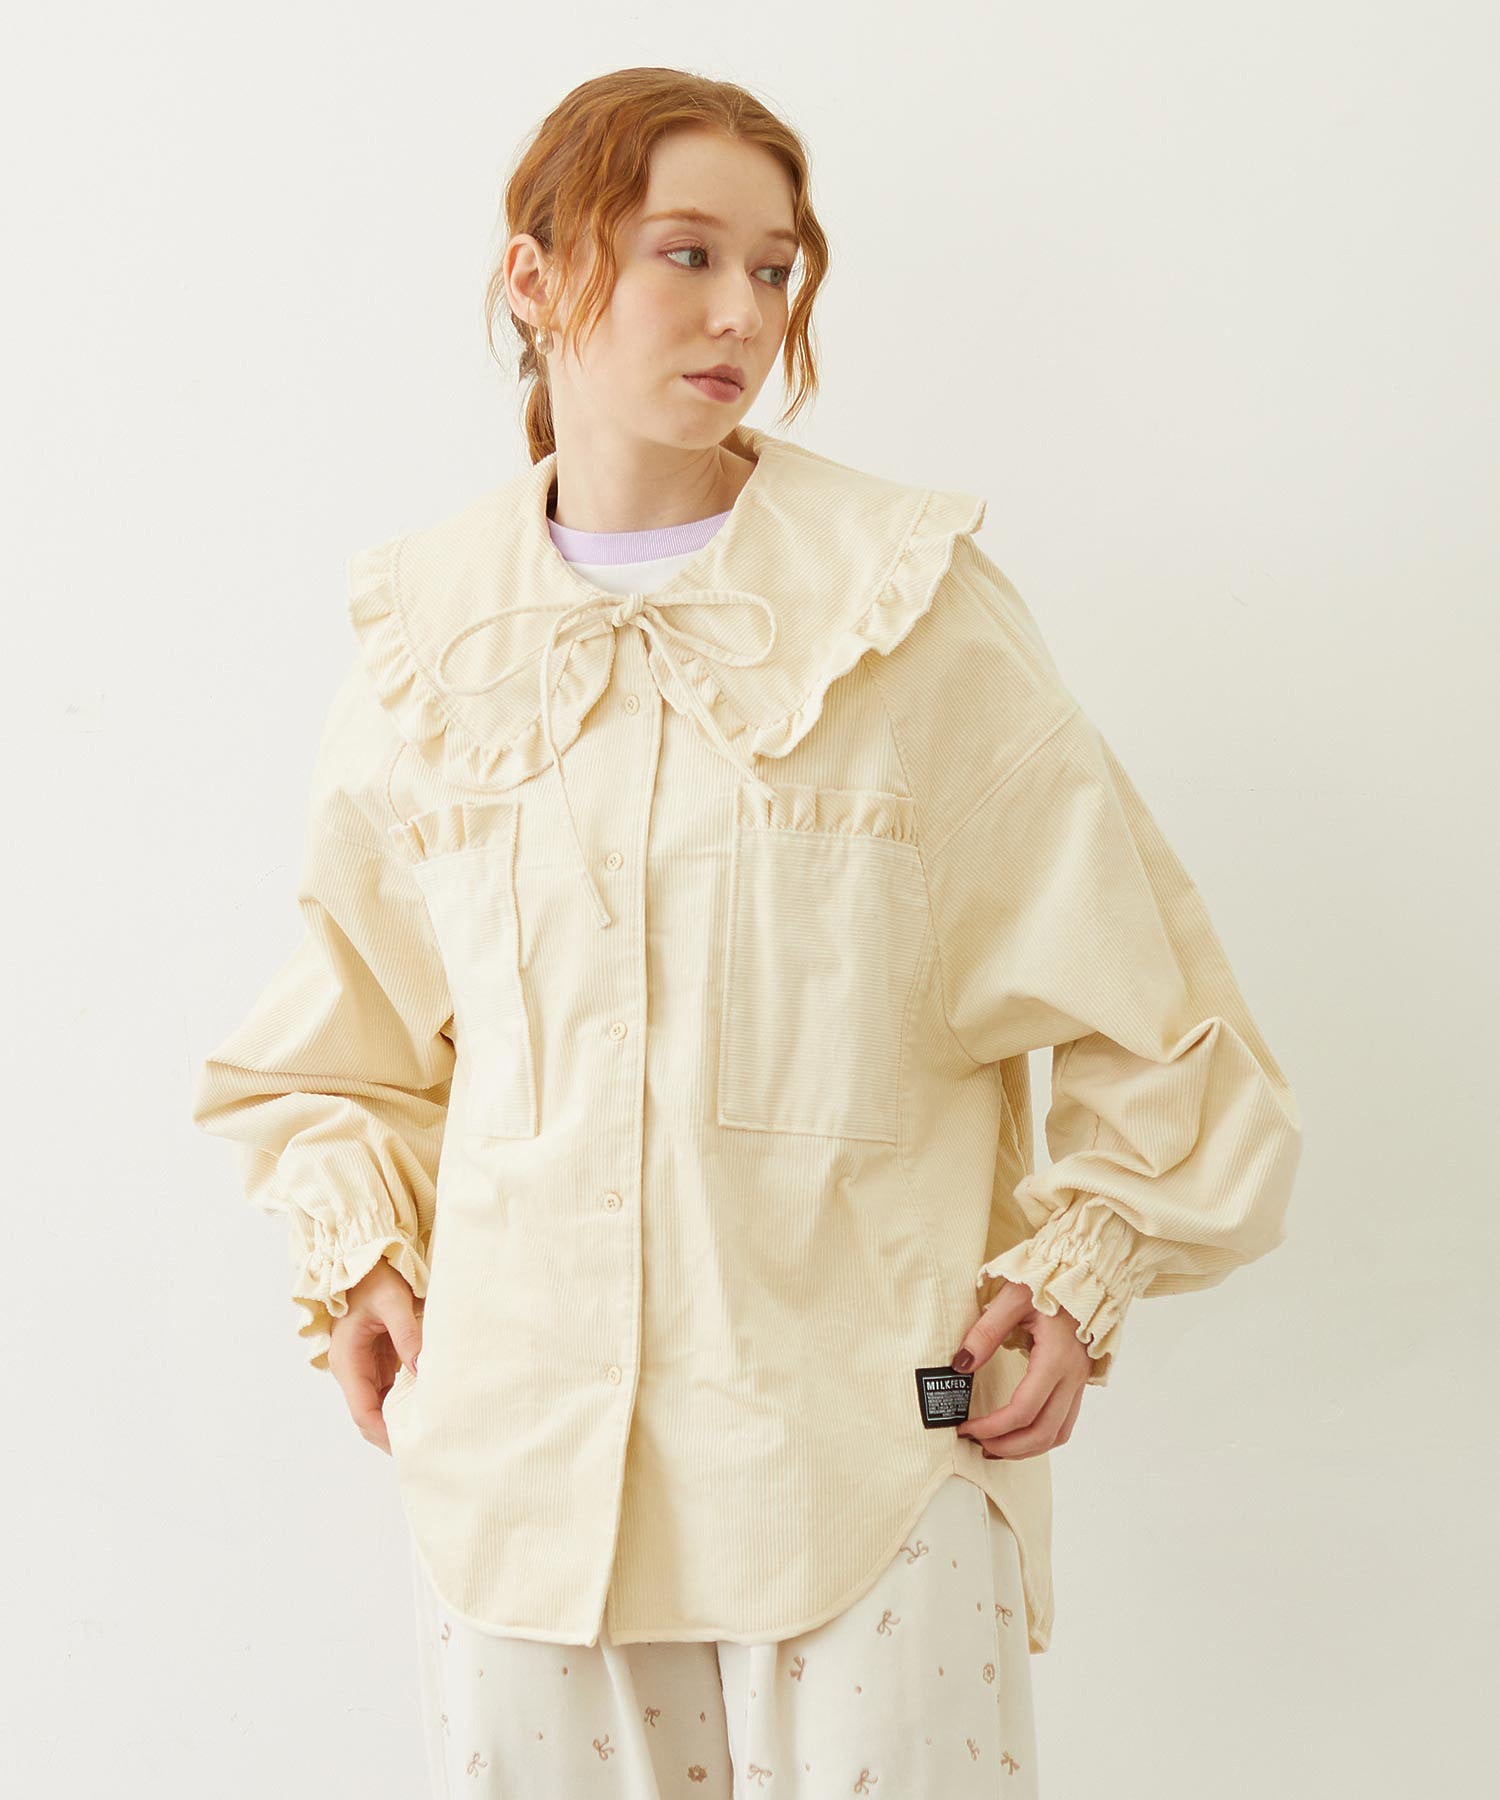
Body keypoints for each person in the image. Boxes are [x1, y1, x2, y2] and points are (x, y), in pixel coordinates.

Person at [190, 67, 1302, 1798]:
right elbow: (339, 1039)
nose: (742, 313)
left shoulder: (900, 609)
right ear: (533, 277)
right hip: (521, 1490)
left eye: (776, 269)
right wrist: (362, 1256)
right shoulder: (430, 641)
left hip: (862, 1468)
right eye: (686, 253)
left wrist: (1079, 1266)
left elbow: (1151, 1008)